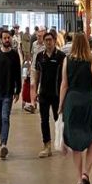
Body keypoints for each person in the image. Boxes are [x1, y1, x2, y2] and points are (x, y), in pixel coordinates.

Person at [59, 32, 92, 184]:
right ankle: (86, 173)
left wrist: (60, 106)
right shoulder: (91, 61)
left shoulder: (67, 60)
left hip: (72, 101)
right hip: (87, 101)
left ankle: (79, 180)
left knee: (75, 143)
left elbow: (64, 85)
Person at [32, 29, 66, 157]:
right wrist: (34, 92)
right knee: (44, 120)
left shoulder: (61, 56)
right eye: (46, 40)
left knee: (59, 120)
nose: (48, 42)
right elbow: (37, 75)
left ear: (54, 41)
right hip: (44, 93)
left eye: (50, 40)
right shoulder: (40, 57)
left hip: (57, 94)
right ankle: (47, 146)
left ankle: (61, 143)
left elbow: (65, 77)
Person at [0, 27, 22, 159]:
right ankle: (2, 139)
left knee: (5, 117)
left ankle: (3, 143)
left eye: (9, 38)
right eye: (4, 38)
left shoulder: (14, 55)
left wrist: (17, 90)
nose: (7, 40)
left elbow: (17, 74)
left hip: (8, 90)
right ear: (1, 39)